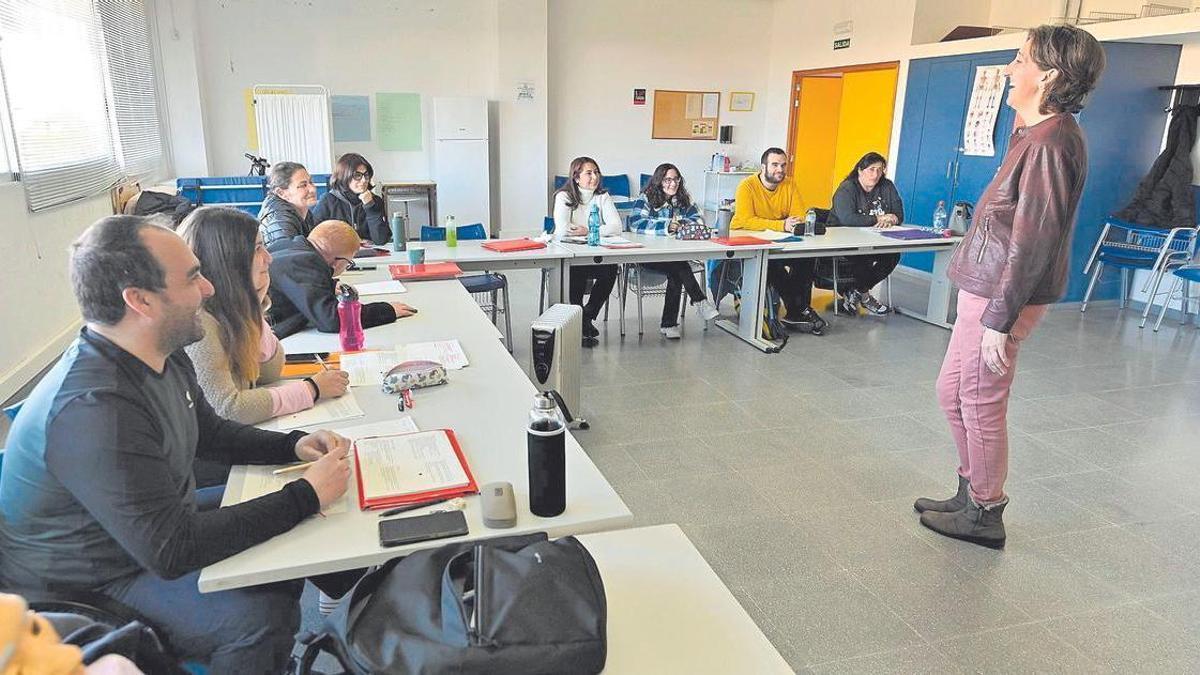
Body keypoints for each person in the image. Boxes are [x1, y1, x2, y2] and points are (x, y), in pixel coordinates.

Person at [0, 215, 359, 673]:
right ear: (141, 301)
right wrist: (305, 494)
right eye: (193, 277)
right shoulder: (95, 409)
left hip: (146, 531)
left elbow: (211, 435)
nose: (209, 288)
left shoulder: (159, 351)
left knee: (290, 540)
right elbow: (173, 551)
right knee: (259, 614)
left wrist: (293, 445)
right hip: (88, 583)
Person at [915, 25, 1105, 548]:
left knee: (979, 400)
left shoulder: (1051, 142)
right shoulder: (1032, 133)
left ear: (1048, 75)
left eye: (1019, 60)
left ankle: (984, 511)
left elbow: (1034, 241)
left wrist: (1001, 320)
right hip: (986, 288)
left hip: (1003, 295)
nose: (1008, 69)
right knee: (951, 392)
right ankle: (970, 488)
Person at [179, 206, 349, 425]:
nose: (269, 258)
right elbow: (226, 408)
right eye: (258, 248)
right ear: (228, 261)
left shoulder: (228, 311)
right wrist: (311, 389)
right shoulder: (200, 323)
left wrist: (252, 309)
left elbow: (269, 371)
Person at [731, 147, 827, 335]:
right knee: (772, 263)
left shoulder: (789, 185)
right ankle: (798, 309)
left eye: (783, 165)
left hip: (780, 240)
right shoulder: (747, 186)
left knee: (806, 259)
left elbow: (798, 216)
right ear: (763, 167)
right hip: (747, 240)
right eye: (775, 165)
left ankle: (796, 311)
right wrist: (781, 225)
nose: (780, 170)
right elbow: (745, 220)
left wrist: (787, 225)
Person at [267, 219, 416, 338]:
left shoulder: (286, 246)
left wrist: (330, 285)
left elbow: (298, 283)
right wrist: (387, 310)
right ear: (336, 261)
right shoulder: (306, 262)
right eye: (348, 263)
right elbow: (332, 320)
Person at [628, 163, 720, 338]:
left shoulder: (683, 198)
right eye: (668, 179)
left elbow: (699, 220)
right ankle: (697, 302)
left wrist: (682, 224)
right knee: (679, 267)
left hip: (674, 257)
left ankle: (670, 323)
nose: (673, 183)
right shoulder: (646, 198)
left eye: (676, 179)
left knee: (676, 268)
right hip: (648, 257)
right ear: (659, 181)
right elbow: (635, 223)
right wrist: (667, 226)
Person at [552, 156, 621, 345]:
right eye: (589, 173)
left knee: (611, 268)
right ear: (576, 177)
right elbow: (563, 228)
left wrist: (589, 230)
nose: (594, 177)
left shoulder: (602, 196)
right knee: (577, 271)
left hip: (595, 254)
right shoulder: (563, 196)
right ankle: (579, 324)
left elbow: (616, 226)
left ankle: (586, 315)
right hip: (571, 255)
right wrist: (597, 230)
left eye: (596, 172)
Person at [828, 151, 904, 315]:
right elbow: (848, 218)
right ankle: (865, 296)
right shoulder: (847, 189)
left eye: (880, 169)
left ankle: (857, 291)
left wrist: (892, 218)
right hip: (844, 240)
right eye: (871, 169)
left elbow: (899, 213)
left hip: (876, 239)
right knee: (863, 256)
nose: (876, 174)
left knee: (893, 255)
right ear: (860, 170)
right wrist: (878, 218)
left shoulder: (887, 186)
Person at [312, 152, 389, 244]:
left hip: (370, 256)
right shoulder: (329, 200)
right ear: (344, 177)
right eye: (357, 175)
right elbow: (314, 236)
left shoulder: (375, 201)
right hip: (338, 255)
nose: (364, 180)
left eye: (366, 175)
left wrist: (370, 208)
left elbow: (381, 240)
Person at [259, 161, 317, 247]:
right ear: (281, 193)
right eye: (303, 185)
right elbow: (288, 259)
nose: (313, 189)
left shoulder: (303, 212)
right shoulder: (280, 222)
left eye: (311, 182)